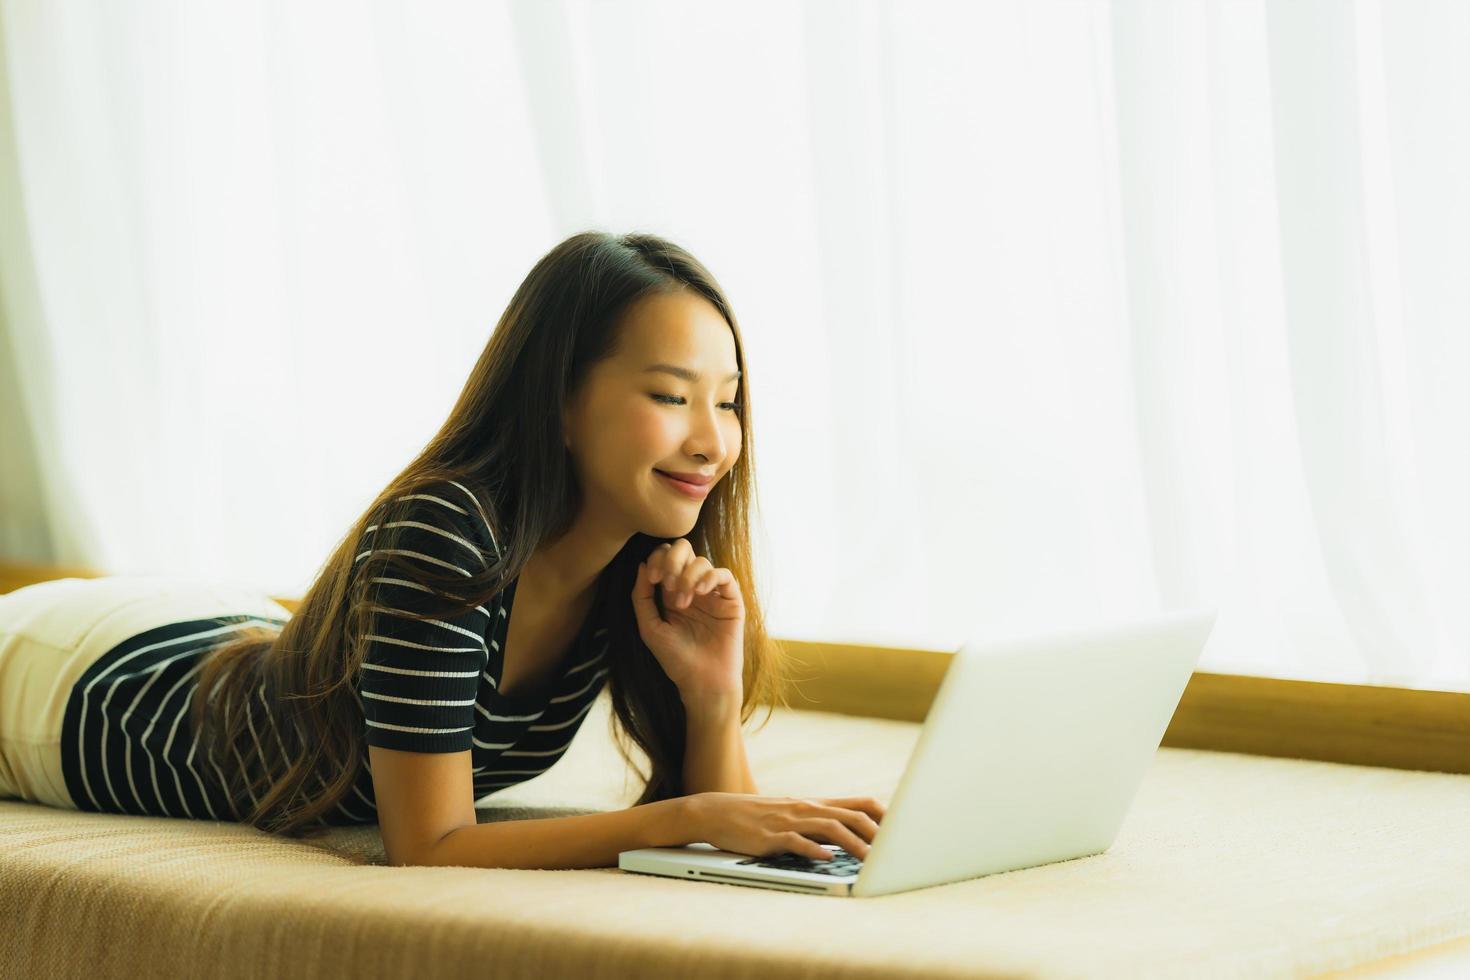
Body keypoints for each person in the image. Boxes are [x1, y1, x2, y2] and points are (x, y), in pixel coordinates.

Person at [0, 230, 885, 869]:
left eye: (727, 402)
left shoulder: (641, 568)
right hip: (76, 687)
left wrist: (712, 695)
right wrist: (680, 817)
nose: (711, 440)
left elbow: (723, 827)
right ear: (561, 404)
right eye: (671, 395)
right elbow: (430, 845)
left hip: (220, 634)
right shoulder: (445, 531)